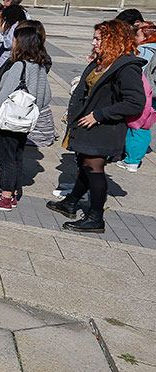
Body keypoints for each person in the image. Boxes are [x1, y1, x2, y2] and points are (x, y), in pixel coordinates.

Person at [47, 20, 147, 233]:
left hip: (104, 128)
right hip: (89, 124)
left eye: (98, 39)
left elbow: (134, 102)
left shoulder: (127, 67)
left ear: (114, 40)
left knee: (94, 168)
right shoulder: (104, 61)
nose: (94, 43)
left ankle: (95, 218)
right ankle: (71, 202)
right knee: (85, 164)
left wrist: (99, 115)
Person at [0, 26, 52, 212]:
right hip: (24, 121)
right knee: (17, 156)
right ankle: (14, 192)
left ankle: (5, 197)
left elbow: (4, 95)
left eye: (16, 39)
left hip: (9, 120)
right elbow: (46, 96)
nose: (13, 43)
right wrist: (31, 110)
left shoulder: (20, 65)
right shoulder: (40, 65)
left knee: (5, 158)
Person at [120, 22, 156, 172]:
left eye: (139, 34)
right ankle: (133, 158)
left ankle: (131, 159)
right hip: (152, 96)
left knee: (136, 125)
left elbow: (137, 70)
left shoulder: (144, 49)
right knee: (145, 126)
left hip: (145, 92)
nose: (136, 37)